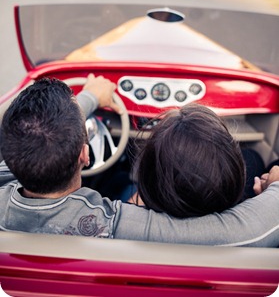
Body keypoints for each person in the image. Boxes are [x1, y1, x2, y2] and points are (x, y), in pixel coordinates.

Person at [0, 75, 279, 247]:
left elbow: (33, 134)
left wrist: (87, 100)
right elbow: (246, 230)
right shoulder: (118, 225)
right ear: (84, 155)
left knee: (118, 180)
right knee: (252, 159)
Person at [131, 104, 246, 218]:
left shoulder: (124, 224)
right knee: (254, 156)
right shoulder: (252, 225)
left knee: (120, 178)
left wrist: (145, 192)